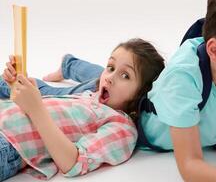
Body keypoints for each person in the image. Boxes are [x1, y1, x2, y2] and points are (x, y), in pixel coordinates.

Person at [1, 0, 216, 181]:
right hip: (129, 105)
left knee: (106, 75)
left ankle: (73, 65)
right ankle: (68, 65)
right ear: (215, 50)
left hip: (137, 91)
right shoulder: (183, 80)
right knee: (66, 90)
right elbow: (191, 166)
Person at [0, 38, 165, 181]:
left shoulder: (122, 127)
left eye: (125, 76)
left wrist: (36, 108)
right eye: (111, 67)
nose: (109, 77)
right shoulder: (91, 95)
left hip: (8, 144)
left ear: (141, 94)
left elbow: (72, 162)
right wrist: (20, 88)